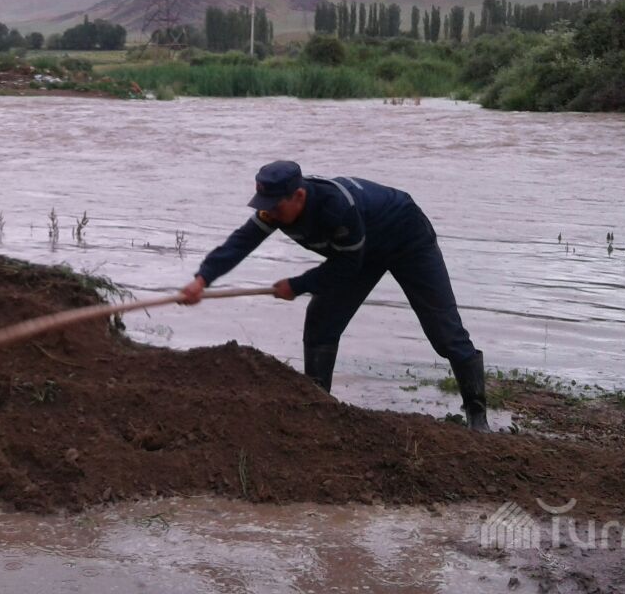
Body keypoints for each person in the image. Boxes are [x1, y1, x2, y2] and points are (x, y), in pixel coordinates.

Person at [179, 160, 491, 432]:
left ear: (299, 196)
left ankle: (477, 417)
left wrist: (297, 285)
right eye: (265, 203)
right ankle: (319, 408)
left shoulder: (336, 208)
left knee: (444, 331)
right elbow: (241, 241)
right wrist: (202, 278)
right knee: (321, 321)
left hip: (407, 239)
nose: (269, 211)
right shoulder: (274, 210)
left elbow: (345, 268)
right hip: (358, 251)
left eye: (275, 205)